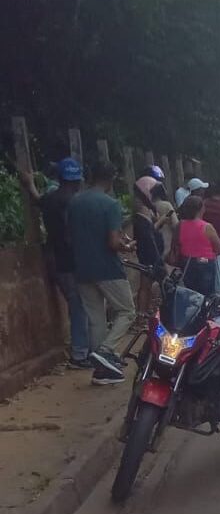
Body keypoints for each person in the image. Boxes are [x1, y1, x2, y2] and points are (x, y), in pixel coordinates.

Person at [67, 162, 137, 386]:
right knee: (127, 311)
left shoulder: (75, 202)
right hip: (107, 268)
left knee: (96, 319)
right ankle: (106, 351)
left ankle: (101, 370)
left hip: (81, 268)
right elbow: (113, 242)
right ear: (111, 179)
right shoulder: (110, 204)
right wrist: (127, 247)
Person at [18, 157, 91, 369]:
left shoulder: (51, 198)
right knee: (79, 306)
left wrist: (29, 183)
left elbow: (36, 199)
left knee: (77, 304)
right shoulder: (74, 202)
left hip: (53, 256)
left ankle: (84, 350)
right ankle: (80, 354)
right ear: (77, 181)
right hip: (70, 259)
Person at [173, 196, 220, 295]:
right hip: (205, 262)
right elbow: (219, 248)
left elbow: (175, 244)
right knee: (207, 295)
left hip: (187, 262)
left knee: (190, 293)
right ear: (201, 209)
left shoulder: (179, 225)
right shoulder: (207, 227)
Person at [132, 177, 166, 320]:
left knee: (147, 285)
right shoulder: (142, 210)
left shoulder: (147, 209)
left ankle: (145, 313)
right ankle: (142, 315)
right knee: (148, 285)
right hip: (149, 254)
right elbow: (149, 235)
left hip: (151, 253)